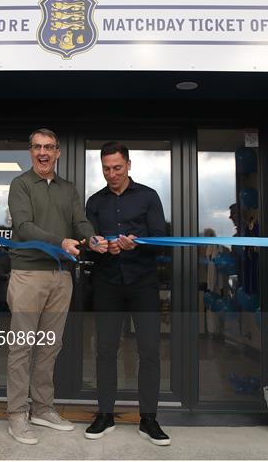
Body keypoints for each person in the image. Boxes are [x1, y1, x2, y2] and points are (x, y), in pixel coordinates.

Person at [6, 128, 107, 445]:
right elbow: (23, 227)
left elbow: (80, 220)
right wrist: (60, 241)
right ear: (30, 151)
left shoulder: (68, 188)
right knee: (22, 347)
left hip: (61, 275)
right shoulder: (20, 184)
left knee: (50, 345)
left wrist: (91, 237)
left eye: (48, 147)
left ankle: (43, 408)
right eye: (37, 147)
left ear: (58, 152)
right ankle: (16, 414)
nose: (43, 152)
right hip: (27, 274)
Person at [84, 141, 171, 446]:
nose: (112, 174)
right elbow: (88, 247)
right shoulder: (94, 202)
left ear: (129, 165)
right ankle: (104, 414)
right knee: (105, 351)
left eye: (117, 167)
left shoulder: (148, 196)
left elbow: (161, 239)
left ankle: (148, 419)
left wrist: (139, 242)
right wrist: (95, 246)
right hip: (106, 283)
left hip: (143, 283)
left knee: (149, 351)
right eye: (106, 168)